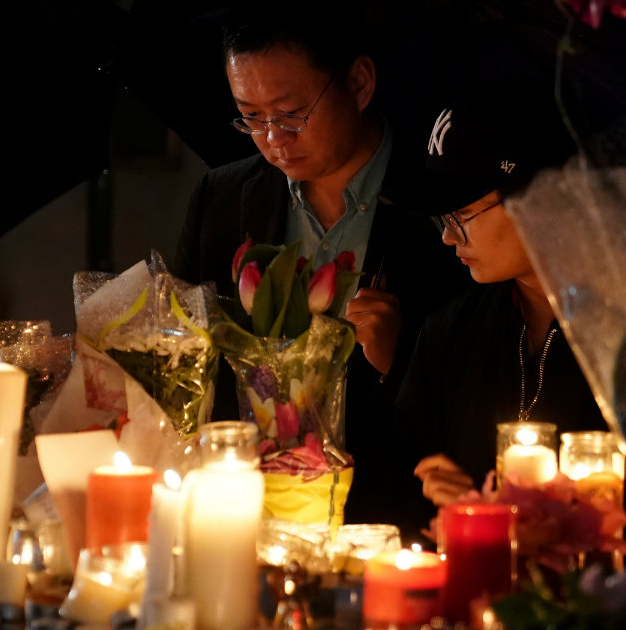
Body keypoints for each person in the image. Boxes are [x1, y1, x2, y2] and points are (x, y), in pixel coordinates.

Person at [174, 6, 470, 527]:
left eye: (291, 114)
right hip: (247, 514)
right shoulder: (221, 197)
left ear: (358, 82)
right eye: (250, 115)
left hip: (390, 518)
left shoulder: (441, 204)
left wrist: (398, 358)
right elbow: (190, 354)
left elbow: (472, 389)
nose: (273, 138)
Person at [393, 78, 626, 549]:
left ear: (544, 200)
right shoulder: (449, 332)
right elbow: (403, 484)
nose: (448, 238)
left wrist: (502, 511)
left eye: (461, 216)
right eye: (441, 220)